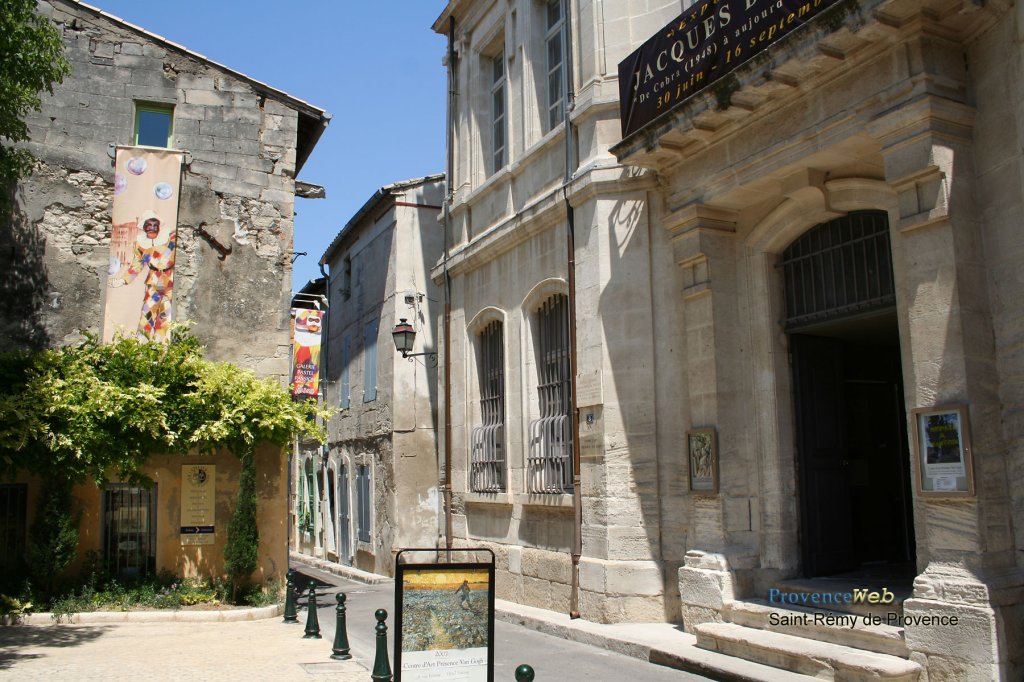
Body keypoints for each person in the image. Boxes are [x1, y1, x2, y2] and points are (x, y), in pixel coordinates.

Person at [109, 209, 176, 341]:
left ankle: (160, 347)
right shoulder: (141, 245)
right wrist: (122, 281)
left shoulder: (170, 239)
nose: (152, 228)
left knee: (164, 317)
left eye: (155, 225)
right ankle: (142, 345)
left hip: (170, 282)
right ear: (144, 227)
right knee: (147, 314)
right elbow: (137, 265)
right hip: (154, 283)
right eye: (149, 225)